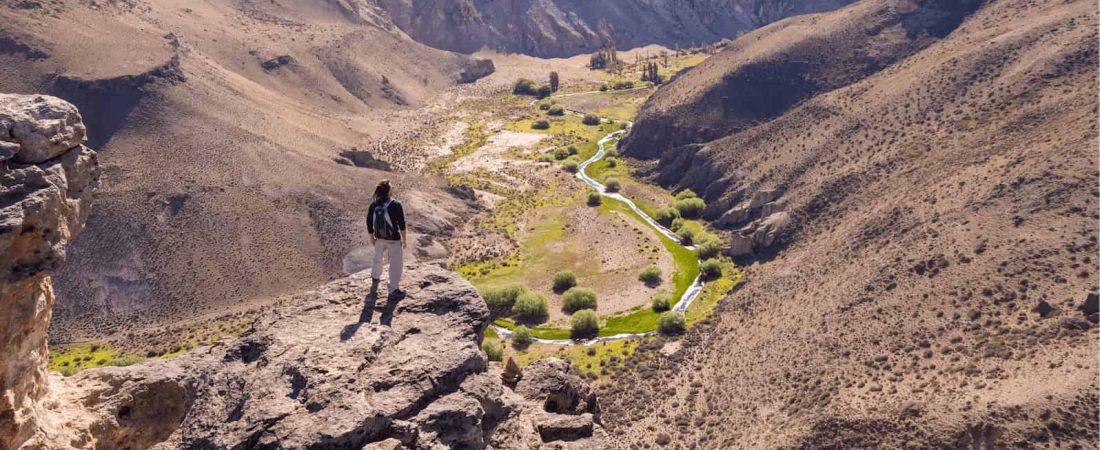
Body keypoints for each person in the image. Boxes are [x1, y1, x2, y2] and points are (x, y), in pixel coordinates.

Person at [367, 180, 407, 300]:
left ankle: (375, 277)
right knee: (395, 263)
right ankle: (393, 289)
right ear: (389, 191)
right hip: (393, 239)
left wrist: (371, 238)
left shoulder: (374, 205)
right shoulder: (395, 204)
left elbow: (369, 222)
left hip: (379, 238)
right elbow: (402, 224)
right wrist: (404, 239)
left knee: (377, 257)